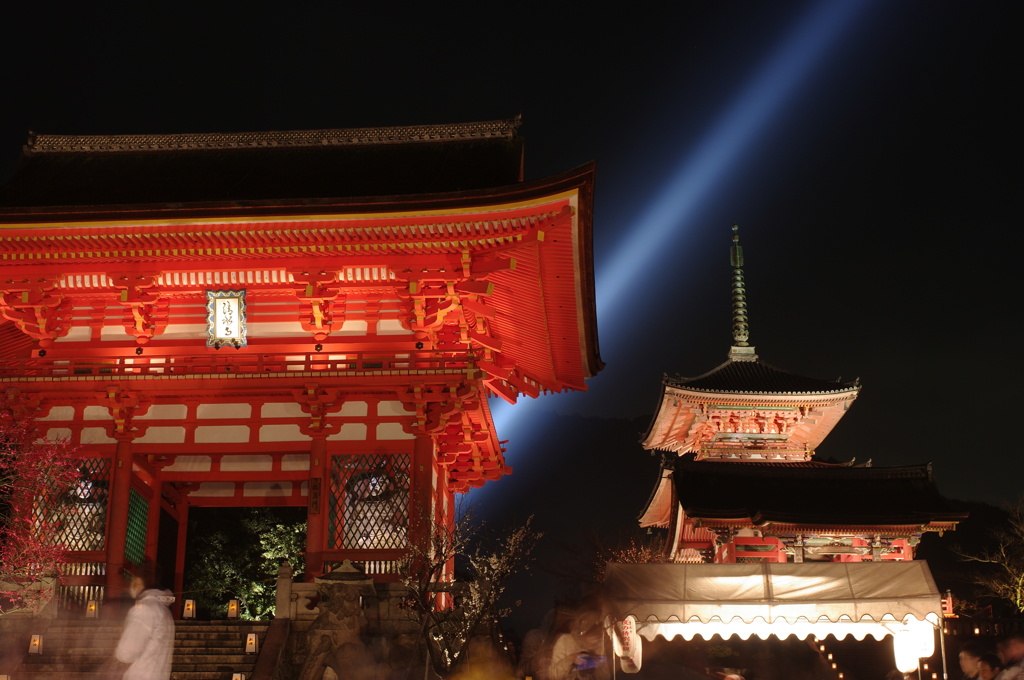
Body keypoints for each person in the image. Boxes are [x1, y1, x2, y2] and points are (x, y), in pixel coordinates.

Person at [113, 573, 175, 680]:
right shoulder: (164, 611)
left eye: (135, 583)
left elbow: (127, 652)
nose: (131, 587)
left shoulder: (144, 609)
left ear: (145, 584)